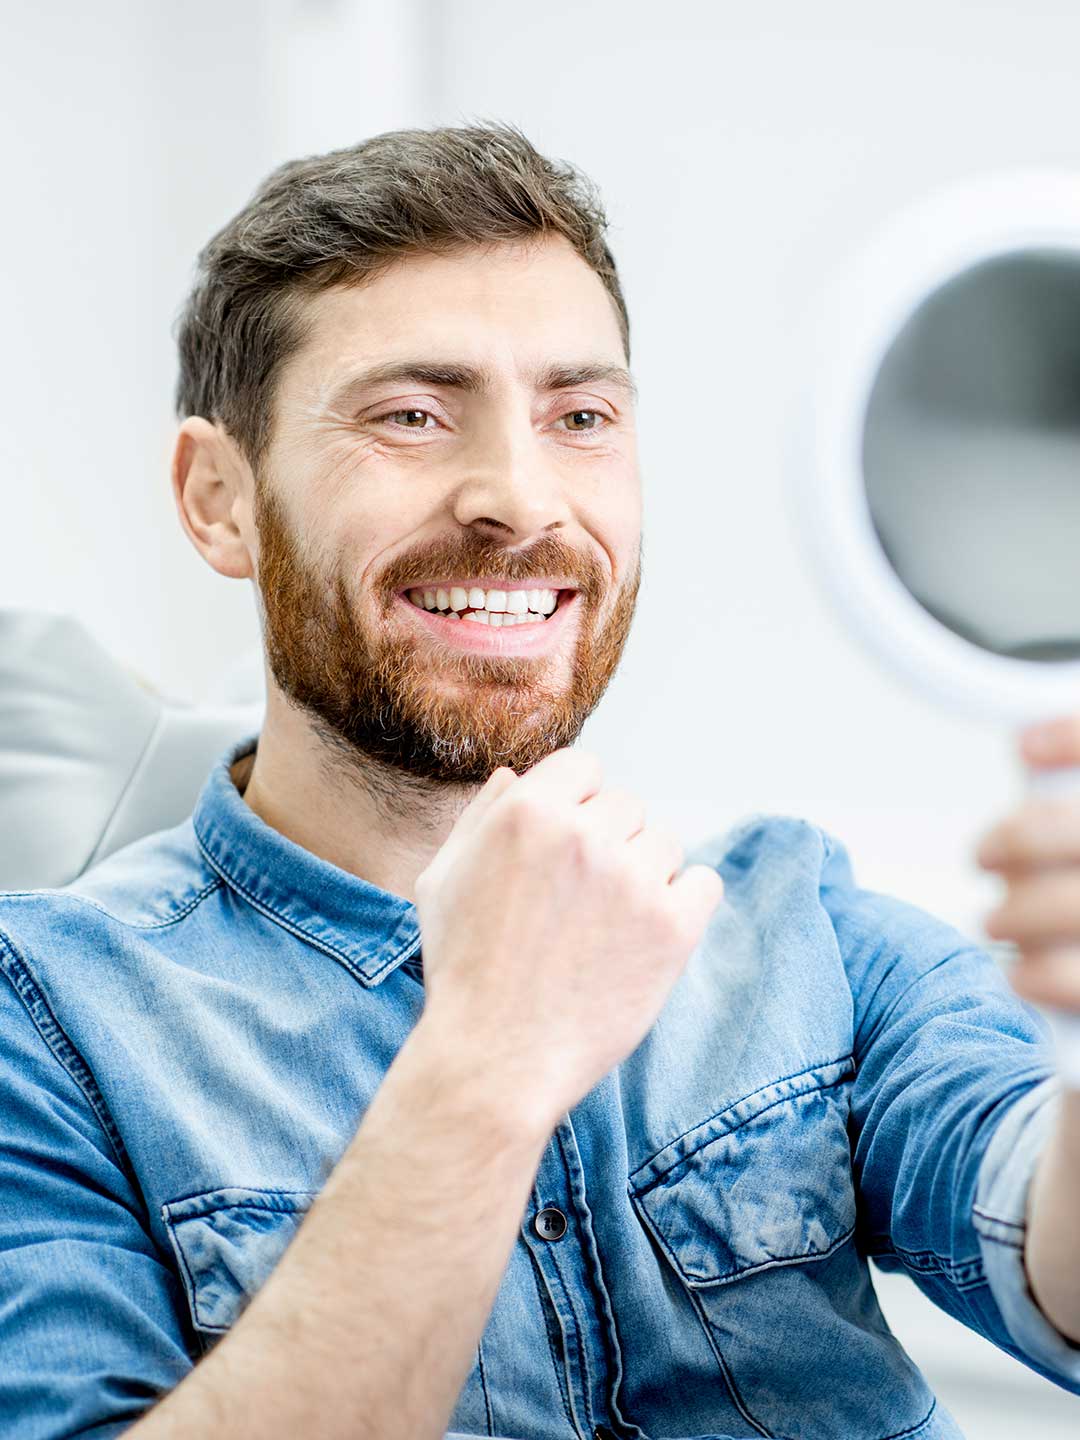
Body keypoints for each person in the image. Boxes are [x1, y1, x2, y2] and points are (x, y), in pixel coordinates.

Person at [0, 124, 1078, 1440]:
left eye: (580, 418)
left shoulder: (802, 927)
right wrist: (485, 1066)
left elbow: (1047, 1243)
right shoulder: (42, 1023)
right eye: (410, 416)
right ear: (220, 499)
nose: (520, 499)